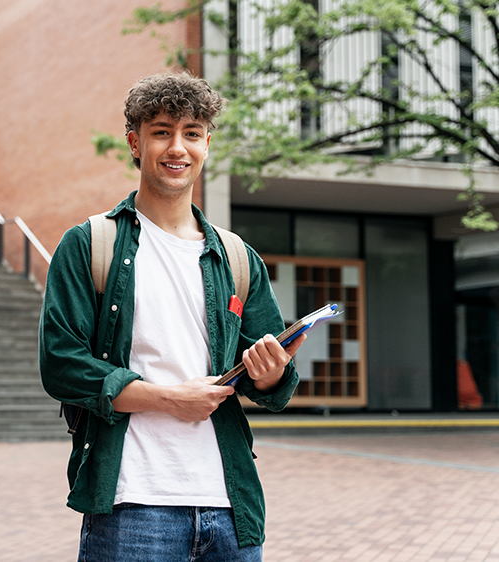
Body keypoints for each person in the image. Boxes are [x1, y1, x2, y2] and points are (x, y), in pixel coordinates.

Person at [39, 72, 304, 562]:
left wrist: (271, 374)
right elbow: (61, 364)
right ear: (135, 142)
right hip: (131, 505)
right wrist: (166, 399)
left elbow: (273, 383)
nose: (177, 147)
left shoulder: (237, 257)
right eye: (161, 131)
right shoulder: (90, 244)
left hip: (230, 506)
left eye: (192, 133)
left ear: (207, 144)